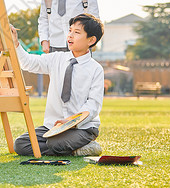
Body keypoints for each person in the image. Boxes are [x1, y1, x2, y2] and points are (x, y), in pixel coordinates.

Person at [11, 13, 104, 156]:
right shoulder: (57, 58)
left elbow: (93, 104)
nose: (70, 35)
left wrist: (71, 121)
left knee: (56, 143)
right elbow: (29, 63)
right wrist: (15, 44)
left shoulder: (95, 69)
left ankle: (87, 145)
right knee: (21, 144)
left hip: (82, 128)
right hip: (54, 126)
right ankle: (74, 150)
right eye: (70, 31)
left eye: (77, 32)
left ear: (91, 40)